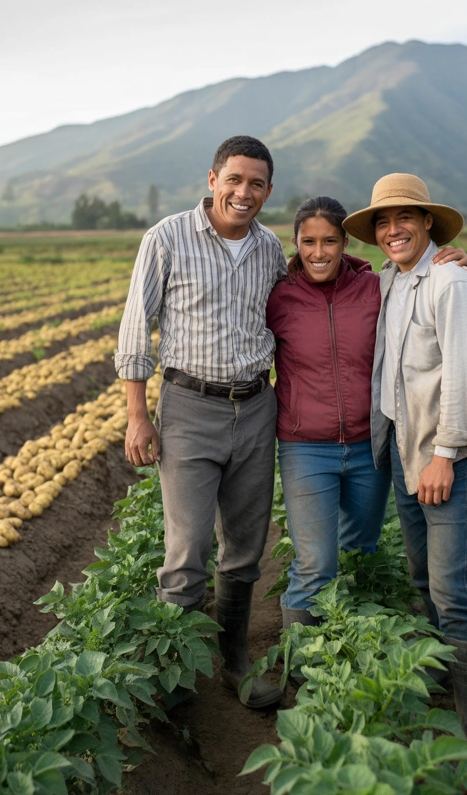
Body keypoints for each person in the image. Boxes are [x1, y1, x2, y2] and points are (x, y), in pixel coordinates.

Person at [116, 135, 285, 710]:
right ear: (212, 179)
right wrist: (138, 415)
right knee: (186, 550)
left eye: (256, 183)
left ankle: (234, 660)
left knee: (245, 546)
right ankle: (174, 681)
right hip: (189, 407)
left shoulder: (270, 250)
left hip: (257, 407)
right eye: (234, 180)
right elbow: (137, 327)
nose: (244, 192)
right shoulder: (167, 238)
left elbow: (313, 292)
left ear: (267, 190)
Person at [342, 173, 467, 753]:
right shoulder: (390, 280)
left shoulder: (450, 282)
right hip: (403, 451)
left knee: (455, 591)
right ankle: (440, 690)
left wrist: (445, 456)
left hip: (441, 460)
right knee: (423, 581)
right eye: (382, 222)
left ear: (428, 221)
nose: (391, 230)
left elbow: (466, 373)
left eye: (404, 217)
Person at [266, 198, 467, 630]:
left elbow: (420, 273)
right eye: (308, 242)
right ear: (295, 244)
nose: (319, 251)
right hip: (305, 448)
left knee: (361, 552)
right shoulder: (277, 296)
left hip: (368, 446)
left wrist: (451, 259)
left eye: (329, 241)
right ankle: (304, 673)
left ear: (345, 243)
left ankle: (355, 650)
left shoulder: (375, 286)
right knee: (316, 564)